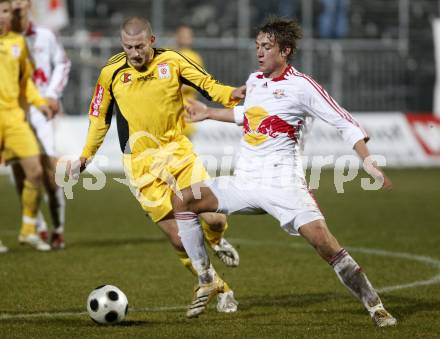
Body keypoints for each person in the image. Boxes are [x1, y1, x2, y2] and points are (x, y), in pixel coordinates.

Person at [172, 17, 397, 327]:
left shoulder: (302, 86)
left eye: (267, 47)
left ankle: (376, 306)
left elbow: (343, 121)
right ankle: (206, 277)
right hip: (245, 181)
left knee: (325, 245)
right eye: (257, 47)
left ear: (285, 51)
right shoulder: (254, 80)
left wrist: (368, 162)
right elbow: (248, 115)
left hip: (283, 184)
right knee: (183, 199)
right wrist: (209, 112)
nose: (260, 53)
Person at [69, 16, 245, 312]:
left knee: (214, 218)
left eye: (139, 46)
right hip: (139, 164)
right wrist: (86, 155)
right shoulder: (111, 72)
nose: (134, 53)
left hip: (178, 153)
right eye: (128, 47)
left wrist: (232, 96)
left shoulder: (173, 62)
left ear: (151, 41)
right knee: (179, 239)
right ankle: (218, 285)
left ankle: (216, 240)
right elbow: (100, 117)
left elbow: (207, 85)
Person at [7, 0, 71, 249]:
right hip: (12, 112)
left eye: (21, 0)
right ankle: (37, 226)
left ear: (29, 4)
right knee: (20, 172)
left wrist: (53, 94)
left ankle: (58, 226)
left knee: (48, 171)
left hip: (40, 108)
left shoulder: (45, 35)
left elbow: (63, 63)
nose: (17, 5)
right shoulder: (6, 39)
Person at [0, 0, 51, 252]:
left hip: (13, 117)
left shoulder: (17, 43)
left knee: (36, 172)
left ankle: (28, 230)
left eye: (5, 11)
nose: (1, 16)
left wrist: (39, 102)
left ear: (11, 15)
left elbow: (26, 83)